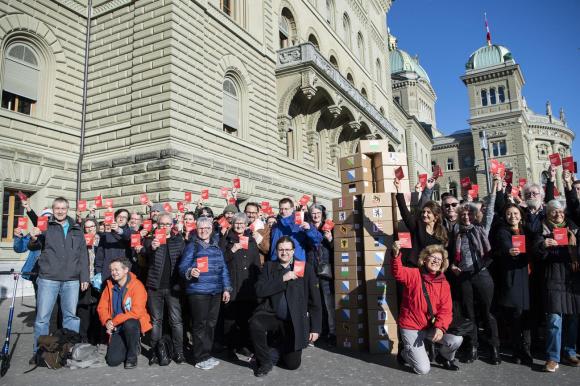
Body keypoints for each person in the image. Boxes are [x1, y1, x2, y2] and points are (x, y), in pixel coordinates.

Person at [28, 197, 89, 364]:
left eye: (63, 208)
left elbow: (83, 254)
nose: (60, 211)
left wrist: (84, 276)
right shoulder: (46, 226)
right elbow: (34, 246)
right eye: (57, 208)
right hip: (49, 279)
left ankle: (69, 351)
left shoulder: (77, 228)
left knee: (71, 317)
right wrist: (33, 239)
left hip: (71, 280)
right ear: (53, 210)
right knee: (42, 318)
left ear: (67, 209)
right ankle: (39, 353)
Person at [249, 236, 322, 377]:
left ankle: (276, 349)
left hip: (294, 321)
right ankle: (265, 361)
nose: (284, 253)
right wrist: (283, 278)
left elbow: (315, 301)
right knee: (255, 323)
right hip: (272, 315)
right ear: (276, 251)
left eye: (288, 249)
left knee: (292, 365)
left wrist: (315, 328)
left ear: (294, 251)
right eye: (281, 249)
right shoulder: (269, 266)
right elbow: (259, 290)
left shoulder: (305, 268)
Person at [448, 176, 500, 364]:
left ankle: (495, 348)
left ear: (474, 215)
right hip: (463, 276)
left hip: (481, 274)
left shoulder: (481, 229)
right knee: (469, 314)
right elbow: (452, 253)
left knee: (488, 312)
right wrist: (452, 264)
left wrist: (494, 187)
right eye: (463, 215)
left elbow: (490, 211)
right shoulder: (455, 231)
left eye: (469, 214)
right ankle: (473, 347)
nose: (466, 217)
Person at [392, 242, 462, 374]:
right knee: (423, 369)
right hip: (411, 326)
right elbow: (398, 272)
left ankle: (445, 357)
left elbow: (446, 310)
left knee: (456, 340)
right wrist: (396, 256)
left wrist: (440, 328)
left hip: (430, 326)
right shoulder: (413, 274)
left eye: (439, 259)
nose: (436, 261)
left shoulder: (444, 283)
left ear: (442, 264)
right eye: (432, 257)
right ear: (424, 259)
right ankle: (404, 353)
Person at [531, 199, 580, 372]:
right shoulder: (541, 229)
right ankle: (552, 357)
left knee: (573, 318)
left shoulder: (573, 227)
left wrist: (575, 249)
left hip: (571, 279)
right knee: (554, 319)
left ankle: (570, 351)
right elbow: (535, 253)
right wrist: (544, 245)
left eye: (561, 211)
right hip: (552, 278)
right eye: (554, 211)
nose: (558, 214)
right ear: (547, 212)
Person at [179, 216, 232, 370]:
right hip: (198, 291)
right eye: (201, 228)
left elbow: (223, 270)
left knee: (210, 324)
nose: (204, 231)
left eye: (207, 228)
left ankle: (206, 354)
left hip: (215, 291)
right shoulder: (192, 246)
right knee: (200, 324)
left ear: (211, 230)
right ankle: (199, 357)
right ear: (196, 229)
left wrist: (227, 288)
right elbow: (182, 267)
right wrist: (191, 270)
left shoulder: (216, 246)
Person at [143, 212, 185, 365]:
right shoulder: (150, 240)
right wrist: (151, 248)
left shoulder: (178, 241)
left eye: (168, 224)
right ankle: (154, 353)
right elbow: (143, 255)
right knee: (156, 321)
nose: (165, 227)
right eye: (162, 224)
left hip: (173, 288)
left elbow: (184, 260)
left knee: (176, 321)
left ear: (172, 225)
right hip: (155, 287)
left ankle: (179, 352)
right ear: (157, 225)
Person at [494, 204, 533, 365]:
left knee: (528, 315)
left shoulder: (527, 230)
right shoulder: (503, 231)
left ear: (521, 215)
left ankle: (527, 350)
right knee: (516, 316)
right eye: (509, 213)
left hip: (530, 277)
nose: (513, 216)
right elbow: (503, 246)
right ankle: (517, 351)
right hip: (514, 277)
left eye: (515, 213)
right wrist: (508, 251)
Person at [97, 257, 152, 369]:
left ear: (126, 270)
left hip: (132, 325)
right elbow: (101, 307)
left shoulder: (137, 286)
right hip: (117, 327)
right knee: (112, 361)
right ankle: (128, 344)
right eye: (112, 270)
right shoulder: (109, 286)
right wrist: (107, 321)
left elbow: (136, 312)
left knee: (130, 323)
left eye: (116, 269)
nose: (113, 272)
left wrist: (114, 321)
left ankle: (132, 355)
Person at [219, 212, 261, 357]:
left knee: (245, 318)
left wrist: (257, 283)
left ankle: (243, 345)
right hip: (231, 284)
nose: (239, 226)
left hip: (247, 286)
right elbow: (220, 261)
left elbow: (256, 263)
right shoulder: (226, 239)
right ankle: (230, 347)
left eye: (242, 223)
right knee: (230, 318)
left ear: (246, 225)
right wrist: (233, 250)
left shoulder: (251, 240)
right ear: (232, 224)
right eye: (237, 223)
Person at [395, 179, 448, 267]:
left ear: (436, 217)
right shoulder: (417, 226)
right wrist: (399, 190)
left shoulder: (442, 231)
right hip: (416, 268)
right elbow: (405, 213)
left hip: (433, 270)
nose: (424, 214)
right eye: (423, 212)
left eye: (428, 212)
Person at [306, 203, 336, 342]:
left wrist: (330, 239)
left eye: (318, 213)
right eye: (313, 213)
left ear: (323, 214)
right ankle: (319, 330)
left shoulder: (330, 227)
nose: (316, 215)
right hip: (311, 269)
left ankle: (332, 331)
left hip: (326, 270)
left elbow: (338, 248)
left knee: (328, 302)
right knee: (315, 302)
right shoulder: (306, 227)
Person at [77, 218, 101, 344]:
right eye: (87, 227)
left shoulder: (101, 240)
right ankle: (83, 336)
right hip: (84, 278)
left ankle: (95, 337)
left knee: (96, 307)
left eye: (92, 226)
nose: (90, 228)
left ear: (96, 227)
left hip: (97, 279)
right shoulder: (80, 240)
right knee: (83, 308)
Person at [95, 209, 132, 281]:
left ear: (127, 220)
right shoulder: (106, 235)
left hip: (124, 274)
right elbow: (100, 256)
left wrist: (119, 230)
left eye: (124, 217)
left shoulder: (131, 233)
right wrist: (98, 272)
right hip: (108, 273)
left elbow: (127, 236)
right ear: (115, 218)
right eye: (119, 216)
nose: (121, 219)